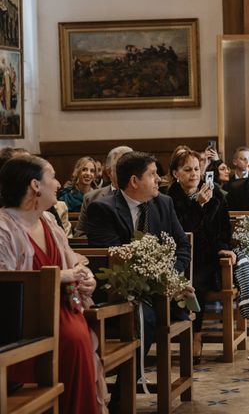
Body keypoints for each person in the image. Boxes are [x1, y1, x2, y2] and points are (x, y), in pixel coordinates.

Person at [85, 151, 192, 412]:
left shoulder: (163, 203)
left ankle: (122, 393)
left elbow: (182, 247)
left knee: (149, 313)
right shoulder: (103, 209)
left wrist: (169, 277)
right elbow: (113, 260)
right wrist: (153, 278)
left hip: (161, 292)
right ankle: (122, 398)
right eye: (153, 174)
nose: (159, 179)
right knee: (143, 316)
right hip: (119, 291)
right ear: (134, 181)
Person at [0, 155, 105, 413]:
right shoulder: (4, 227)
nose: (58, 183)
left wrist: (85, 277)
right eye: (53, 177)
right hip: (26, 320)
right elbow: (7, 284)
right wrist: (64, 276)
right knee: (73, 338)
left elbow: (73, 261)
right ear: (35, 185)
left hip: (63, 308)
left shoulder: (48, 220)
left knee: (78, 334)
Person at [166, 149, 235, 364]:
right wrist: (196, 205)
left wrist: (224, 247)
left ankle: (195, 333)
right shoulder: (169, 198)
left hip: (208, 255)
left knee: (198, 277)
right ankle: (184, 331)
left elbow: (223, 229)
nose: (194, 174)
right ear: (176, 173)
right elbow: (182, 232)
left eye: (197, 169)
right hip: (178, 255)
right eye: (187, 170)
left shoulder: (214, 194)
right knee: (186, 276)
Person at [75, 146, 133, 238]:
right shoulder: (91, 198)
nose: (127, 172)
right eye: (121, 167)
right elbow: (80, 234)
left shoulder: (144, 196)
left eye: (131, 167)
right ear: (109, 171)